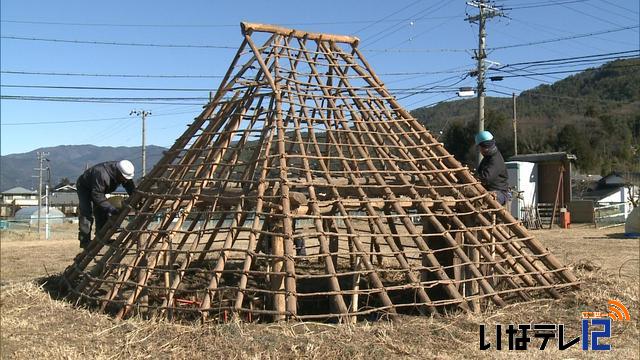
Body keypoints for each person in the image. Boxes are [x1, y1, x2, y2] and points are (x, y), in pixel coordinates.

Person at [76, 160, 136, 248]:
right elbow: (97, 195)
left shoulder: (121, 171)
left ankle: (102, 236)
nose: (125, 180)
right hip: (85, 187)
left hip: (99, 189)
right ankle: (85, 241)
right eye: (124, 178)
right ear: (119, 173)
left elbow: (130, 186)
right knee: (86, 213)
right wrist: (111, 208)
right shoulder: (102, 174)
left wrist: (135, 197)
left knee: (102, 212)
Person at [475, 131, 510, 206]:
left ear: (484, 148)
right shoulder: (488, 157)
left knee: (481, 202)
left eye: (480, 148)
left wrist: (474, 178)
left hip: (500, 193)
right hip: (489, 190)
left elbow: (485, 178)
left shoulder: (494, 160)